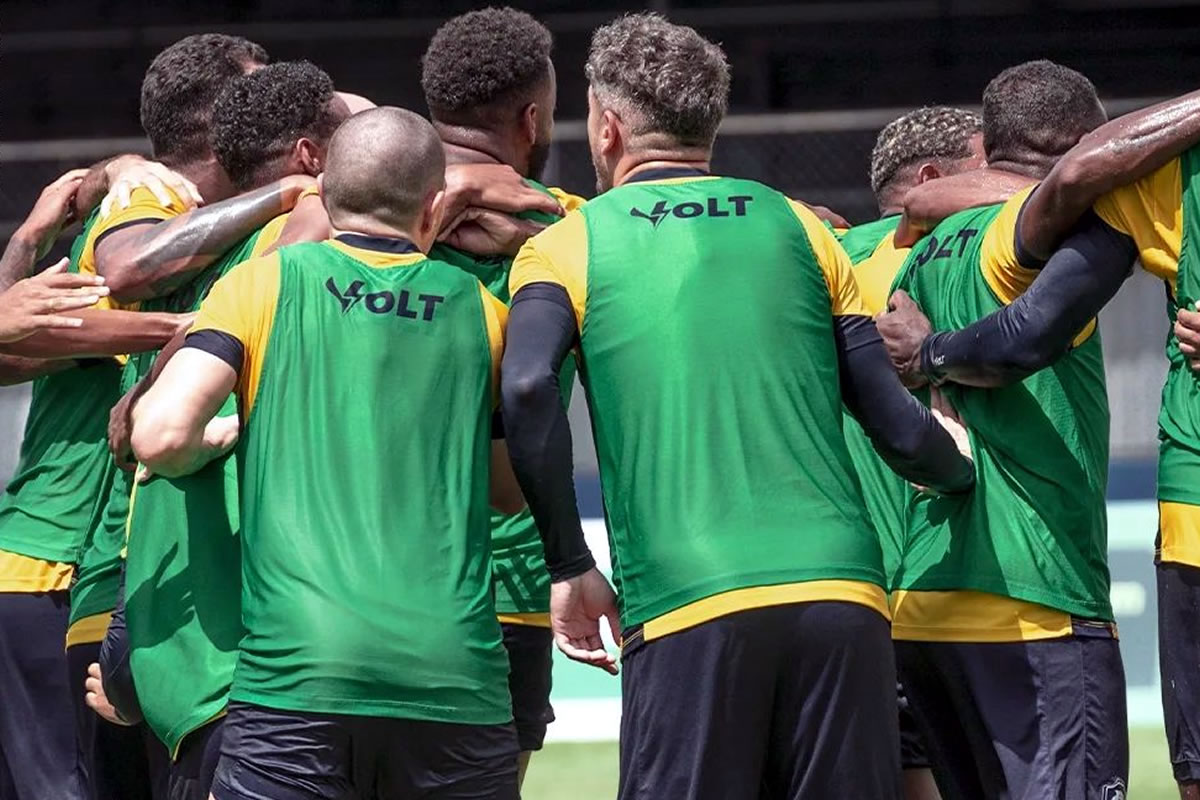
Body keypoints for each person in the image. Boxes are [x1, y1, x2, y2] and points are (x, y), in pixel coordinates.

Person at [501, 14, 974, 800]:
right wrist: (954, 464)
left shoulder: (570, 243)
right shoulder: (800, 225)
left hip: (689, 598)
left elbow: (525, 386)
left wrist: (569, 564)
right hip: (841, 592)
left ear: (608, 128)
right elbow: (893, 422)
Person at [132, 107, 525, 800]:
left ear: (325, 192)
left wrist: (211, 441)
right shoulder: (482, 313)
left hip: (297, 679)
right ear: (433, 207)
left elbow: (159, 434)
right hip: (454, 678)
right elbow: (507, 490)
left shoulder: (262, 284)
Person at [877, 84, 1200, 797]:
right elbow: (1027, 326)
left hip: (924, 600)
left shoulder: (905, 254)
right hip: (1034, 600)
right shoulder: (1022, 240)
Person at [89, 60, 348, 800]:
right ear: (311, 157)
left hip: (158, 604)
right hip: (233, 638)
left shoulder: (199, 246)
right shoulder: (298, 236)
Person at [421, 7, 587, 782]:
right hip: (511, 581)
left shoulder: (341, 222)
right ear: (531, 120)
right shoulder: (574, 228)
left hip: (362, 580)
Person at [0, 166, 192, 800]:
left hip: (66, 566)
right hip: (45, 567)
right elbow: (12, 340)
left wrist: (28, 239)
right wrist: (208, 327)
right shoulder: (121, 289)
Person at [836, 105, 984, 800]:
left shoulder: (825, 254)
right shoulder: (959, 251)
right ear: (930, 181)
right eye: (985, 168)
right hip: (949, 585)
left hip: (852, 592)